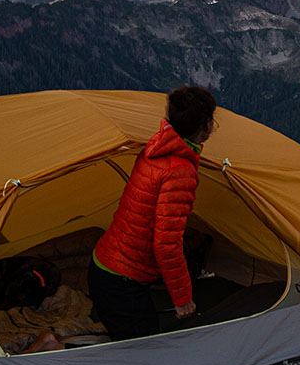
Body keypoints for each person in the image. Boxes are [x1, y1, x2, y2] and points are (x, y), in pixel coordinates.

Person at [87, 85, 217, 341]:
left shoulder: (156, 148)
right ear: (204, 126)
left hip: (106, 265)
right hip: (121, 281)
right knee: (146, 358)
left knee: (124, 338)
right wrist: (182, 299)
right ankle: (51, 346)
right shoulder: (179, 171)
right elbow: (166, 243)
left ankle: (56, 342)